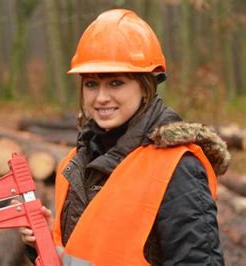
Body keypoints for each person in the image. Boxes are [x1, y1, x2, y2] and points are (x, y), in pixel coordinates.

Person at [15, 9, 229, 265]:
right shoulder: (74, 164)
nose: (101, 97)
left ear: (145, 87)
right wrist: (43, 242)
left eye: (116, 83)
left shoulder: (177, 168)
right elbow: (82, 253)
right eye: (91, 84)